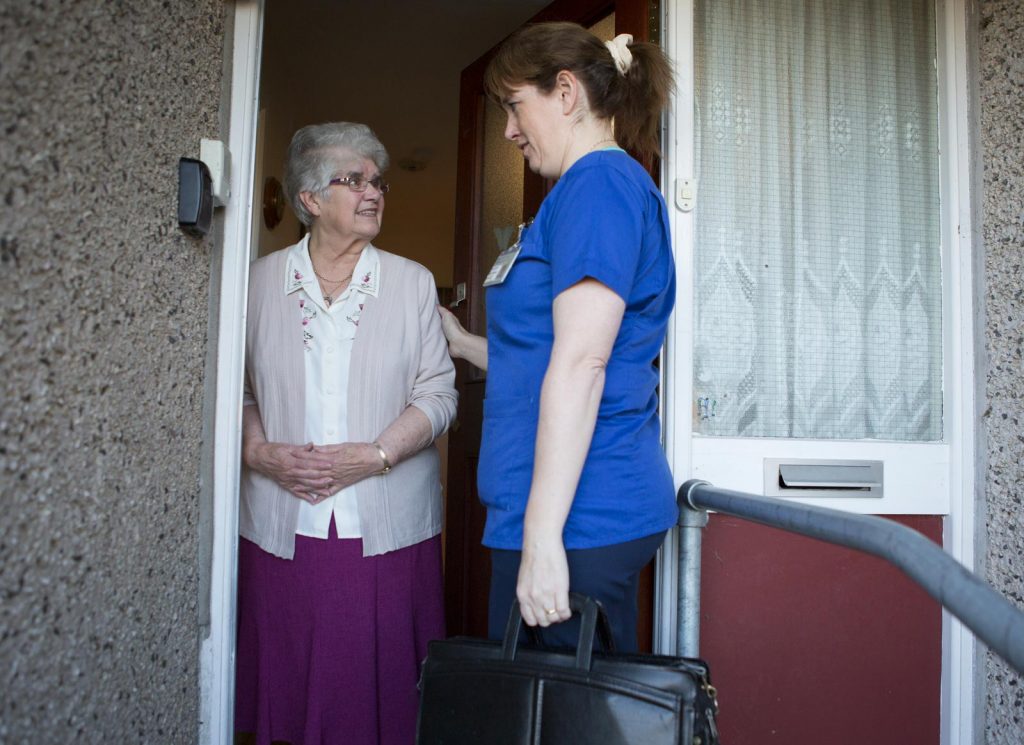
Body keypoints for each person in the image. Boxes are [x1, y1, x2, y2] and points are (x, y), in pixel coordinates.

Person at [439, 22, 677, 653]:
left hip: (579, 519)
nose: (510, 130)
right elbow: (549, 356)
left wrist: (544, 538)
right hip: (559, 513)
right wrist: (465, 345)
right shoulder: (578, 193)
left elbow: (582, 363)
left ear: (566, 92)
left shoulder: (599, 186)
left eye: (516, 106)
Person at [236, 122, 457, 745]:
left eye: (377, 181)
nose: (372, 193)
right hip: (282, 526)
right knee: (287, 686)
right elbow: (236, 392)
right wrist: (258, 452)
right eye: (352, 180)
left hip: (387, 531)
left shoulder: (410, 282)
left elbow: (439, 395)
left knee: (382, 698)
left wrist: (378, 454)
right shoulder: (255, 284)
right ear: (309, 200)